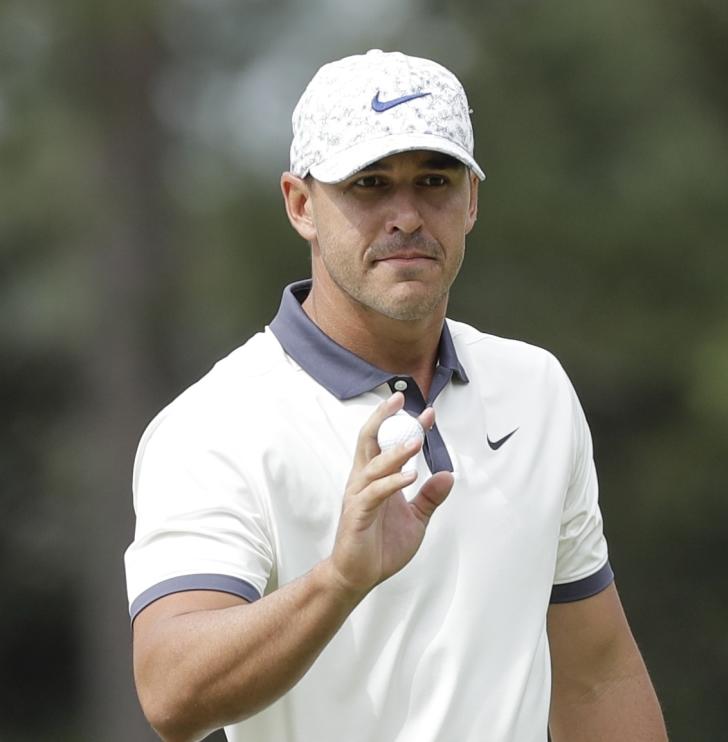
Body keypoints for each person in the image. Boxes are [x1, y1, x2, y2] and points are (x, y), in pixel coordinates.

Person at [125, 49, 667, 742]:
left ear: (471, 200)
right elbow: (172, 691)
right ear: (301, 205)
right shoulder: (215, 424)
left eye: (433, 181)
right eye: (370, 184)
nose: (406, 215)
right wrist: (339, 581)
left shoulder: (535, 389)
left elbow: (596, 676)